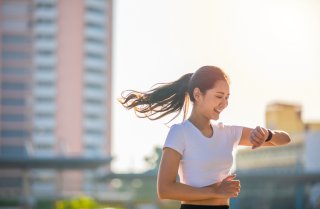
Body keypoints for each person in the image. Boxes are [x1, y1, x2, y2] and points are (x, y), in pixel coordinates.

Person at [119, 65, 291, 209]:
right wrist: (215, 191)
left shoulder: (228, 133)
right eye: (218, 96)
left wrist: (267, 134)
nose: (224, 103)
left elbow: (285, 139)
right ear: (198, 94)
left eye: (227, 97)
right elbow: (164, 189)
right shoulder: (180, 132)